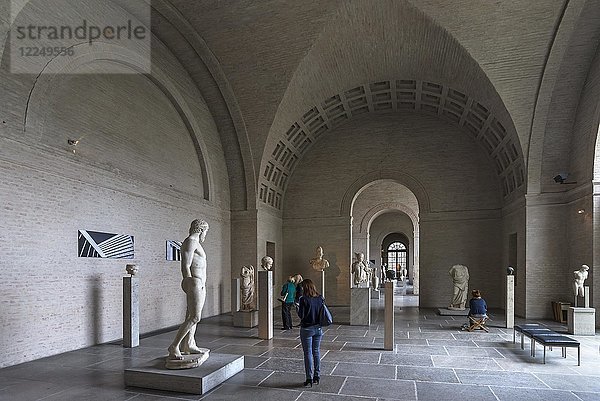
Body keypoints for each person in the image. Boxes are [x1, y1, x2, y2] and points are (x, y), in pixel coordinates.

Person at [167, 219, 210, 361]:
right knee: (195, 317)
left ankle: (189, 344)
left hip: (199, 283)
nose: (206, 235)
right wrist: (189, 283)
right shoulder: (191, 241)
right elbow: (186, 265)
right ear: (201, 230)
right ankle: (174, 346)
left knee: (191, 316)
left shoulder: (195, 242)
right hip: (194, 283)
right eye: (206, 232)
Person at [297, 278, 325, 387]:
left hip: (307, 329)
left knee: (307, 353)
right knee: (316, 352)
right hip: (318, 329)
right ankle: (317, 376)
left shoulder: (303, 299)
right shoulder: (320, 298)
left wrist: (297, 308)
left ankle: (309, 378)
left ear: (305, 288)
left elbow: (302, 316)